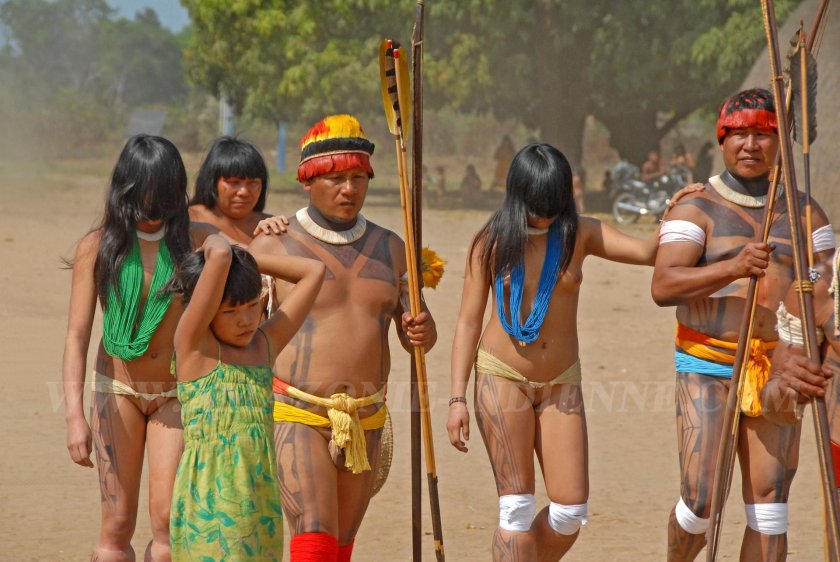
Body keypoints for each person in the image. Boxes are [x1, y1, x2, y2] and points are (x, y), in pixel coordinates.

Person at [446, 142, 701, 560]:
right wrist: (457, 398)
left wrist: (676, 211)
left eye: (553, 204)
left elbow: (648, 252)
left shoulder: (579, 232)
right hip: (500, 376)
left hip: (561, 382)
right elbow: (467, 322)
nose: (545, 215)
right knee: (516, 508)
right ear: (517, 195)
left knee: (569, 511)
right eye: (537, 205)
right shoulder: (489, 242)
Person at [650, 87, 835, 561]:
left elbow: (825, 277)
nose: (750, 144)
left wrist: (811, 286)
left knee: (770, 507)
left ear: (780, 143)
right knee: (700, 501)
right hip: (707, 362)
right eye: (739, 134)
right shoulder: (697, 207)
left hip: (778, 368)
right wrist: (733, 267)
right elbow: (665, 285)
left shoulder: (805, 212)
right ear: (722, 138)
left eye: (762, 134)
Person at [248, 114, 437, 560]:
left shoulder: (393, 247)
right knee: (314, 535)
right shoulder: (274, 245)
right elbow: (233, 324)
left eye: (357, 177)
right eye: (335, 178)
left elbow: (420, 338)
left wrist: (421, 330)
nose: (348, 189)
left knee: (340, 547)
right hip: (297, 412)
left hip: (367, 419)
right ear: (307, 181)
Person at [61, 134, 212, 560]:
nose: (153, 201)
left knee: (167, 526)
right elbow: (76, 336)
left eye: (164, 191)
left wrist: (270, 225)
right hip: (117, 391)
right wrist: (74, 417)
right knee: (115, 527)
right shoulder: (98, 247)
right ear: (126, 188)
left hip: (176, 394)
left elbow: (253, 255)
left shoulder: (197, 241)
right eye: (144, 190)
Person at [167, 235, 324, 560]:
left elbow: (314, 271)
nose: (246, 319)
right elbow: (221, 253)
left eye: (253, 305)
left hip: (260, 502)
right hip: (210, 505)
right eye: (230, 311)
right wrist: (215, 246)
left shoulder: (264, 346)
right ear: (206, 309)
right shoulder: (195, 347)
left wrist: (247, 260)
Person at [188, 136, 273, 246]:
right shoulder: (189, 219)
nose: (244, 192)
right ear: (213, 183)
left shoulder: (272, 226)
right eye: (234, 182)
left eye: (252, 183)